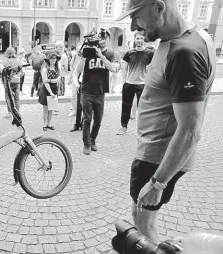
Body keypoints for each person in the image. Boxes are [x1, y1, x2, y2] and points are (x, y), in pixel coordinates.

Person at [116, 0, 216, 244]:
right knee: (142, 218)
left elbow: (191, 131)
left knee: (143, 224)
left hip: (156, 156)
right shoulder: (190, 37)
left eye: (137, 16)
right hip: (157, 151)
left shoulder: (184, 52)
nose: (133, 27)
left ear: (159, 7)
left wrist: (157, 182)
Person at [72, 29, 120, 154]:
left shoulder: (110, 53)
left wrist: (101, 56)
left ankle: (92, 140)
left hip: (100, 91)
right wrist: (84, 55)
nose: (102, 40)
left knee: (98, 120)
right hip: (87, 91)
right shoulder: (89, 51)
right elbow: (78, 70)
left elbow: (114, 69)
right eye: (100, 38)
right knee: (87, 119)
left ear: (108, 40)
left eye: (105, 38)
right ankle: (86, 144)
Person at [116, 30, 154, 135]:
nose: (139, 40)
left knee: (143, 108)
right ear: (134, 39)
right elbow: (125, 68)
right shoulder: (129, 53)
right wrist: (124, 82)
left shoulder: (150, 53)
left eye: (142, 38)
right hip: (129, 83)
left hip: (142, 84)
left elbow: (153, 68)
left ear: (144, 39)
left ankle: (143, 129)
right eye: (137, 38)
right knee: (125, 106)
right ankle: (123, 127)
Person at [38, 52, 61, 131]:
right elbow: (45, 82)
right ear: (48, 59)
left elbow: (58, 80)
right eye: (52, 58)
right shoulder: (45, 69)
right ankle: (44, 124)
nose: (53, 60)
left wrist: (49, 80)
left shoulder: (57, 68)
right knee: (45, 109)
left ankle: (49, 124)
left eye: (55, 58)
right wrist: (51, 92)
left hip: (54, 89)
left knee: (51, 109)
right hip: (46, 90)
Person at [1, 47, 22, 118]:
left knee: (8, 97)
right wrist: (17, 76)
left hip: (8, 82)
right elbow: (21, 72)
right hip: (17, 81)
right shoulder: (18, 61)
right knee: (17, 97)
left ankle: (10, 113)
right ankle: (17, 113)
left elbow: (2, 73)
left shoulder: (5, 61)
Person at [69, 45, 84, 132]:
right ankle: (77, 124)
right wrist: (76, 83)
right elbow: (75, 71)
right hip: (80, 82)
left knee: (85, 106)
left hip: (87, 84)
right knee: (79, 105)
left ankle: (83, 123)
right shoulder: (79, 58)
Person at [68, 44, 82, 118]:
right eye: (77, 50)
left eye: (80, 50)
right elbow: (72, 68)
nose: (79, 52)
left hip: (82, 77)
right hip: (75, 77)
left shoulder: (85, 57)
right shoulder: (75, 57)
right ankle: (74, 111)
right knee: (74, 95)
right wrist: (70, 78)